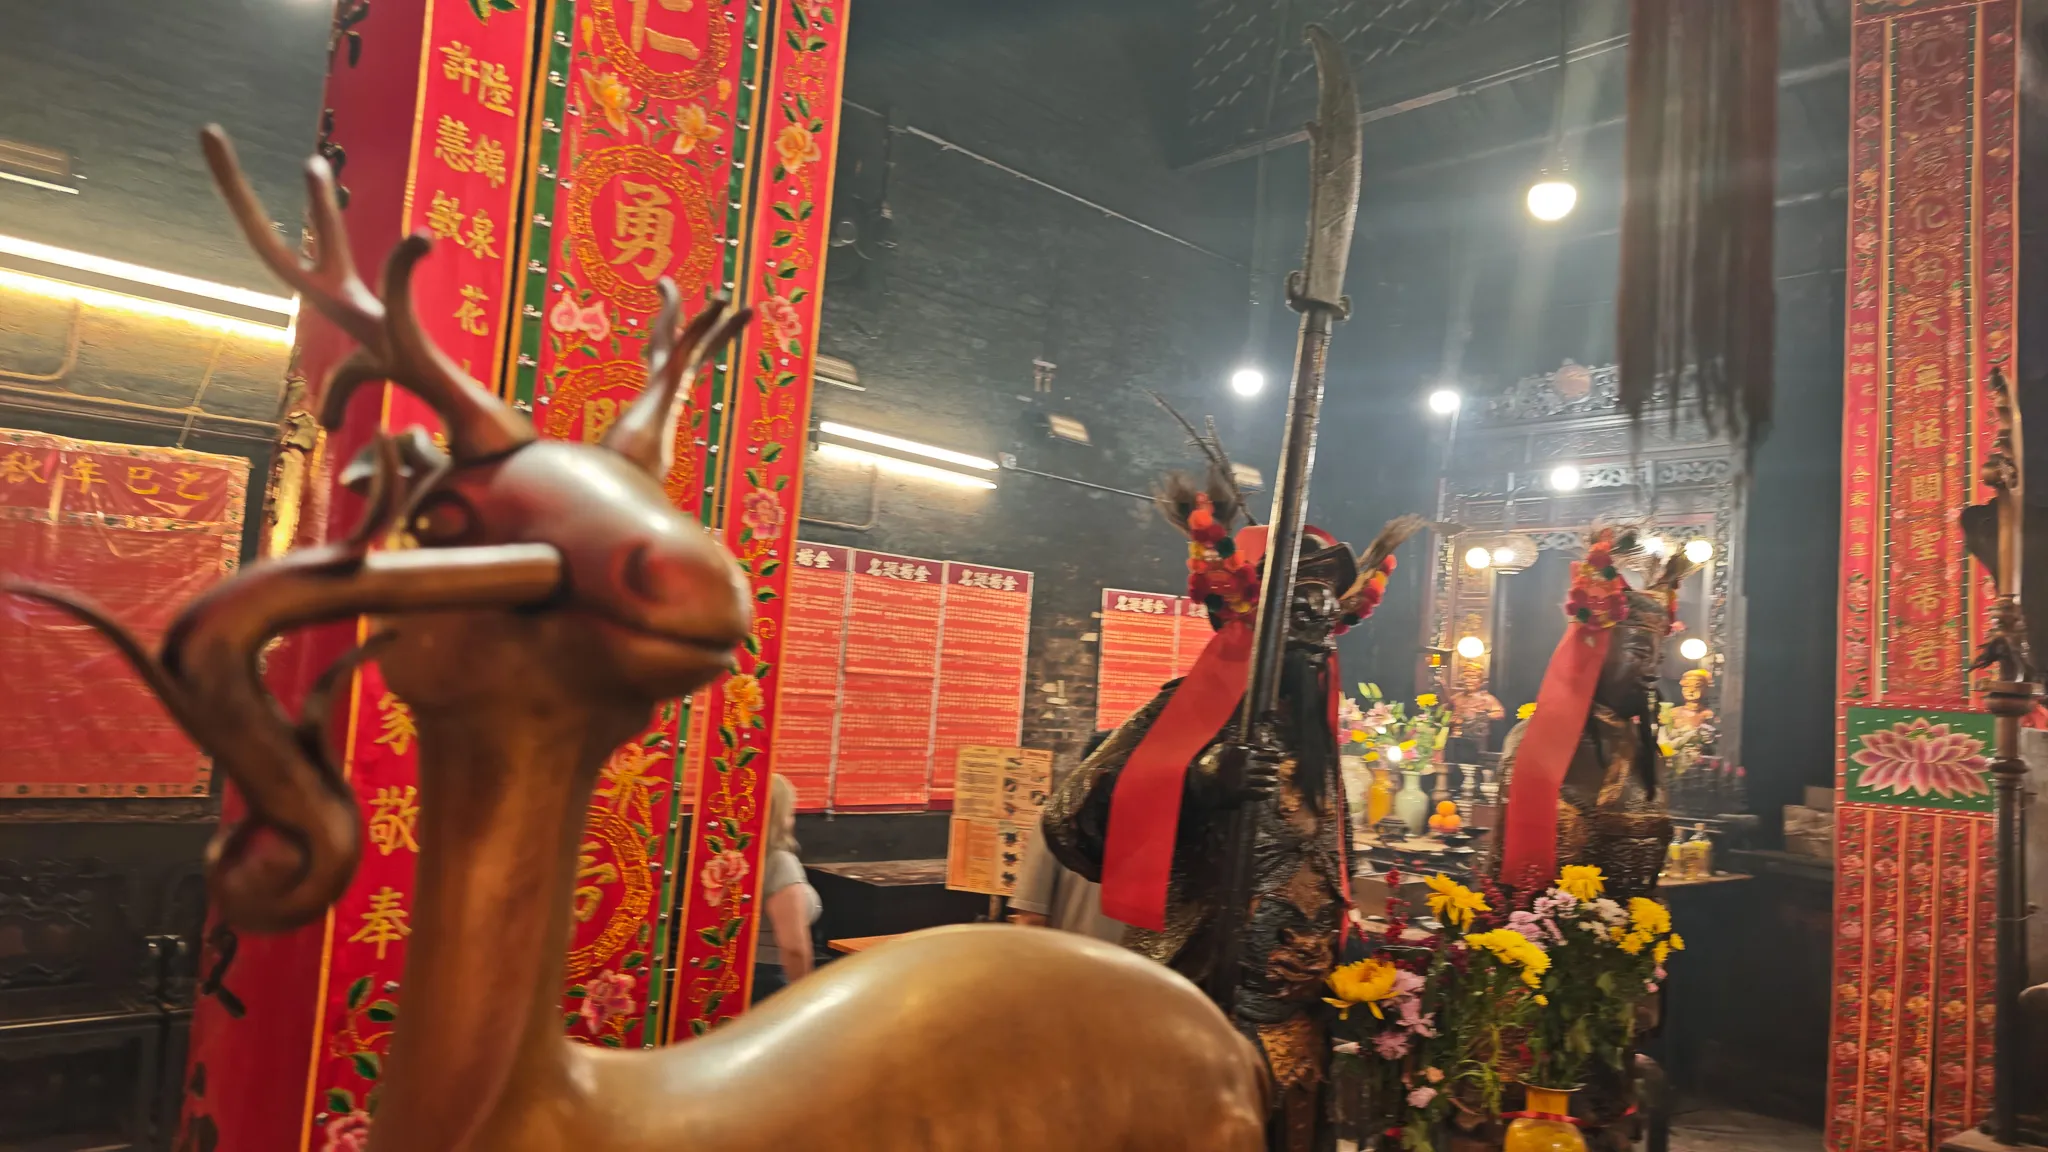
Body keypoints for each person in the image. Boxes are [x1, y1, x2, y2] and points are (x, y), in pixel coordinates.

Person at [1043, 463, 1421, 1152]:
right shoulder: (1182, 717)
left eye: (1324, 606)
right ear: (1249, 615)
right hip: (1199, 999)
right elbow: (1068, 821)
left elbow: (1321, 862)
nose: (1315, 619)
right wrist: (1196, 785)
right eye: (1297, 603)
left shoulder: (1317, 741)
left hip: (1300, 1017)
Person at [1009, 731, 1125, 943]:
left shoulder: (1057, 820)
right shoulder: (1165, 830)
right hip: (1142, 972)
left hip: (1071, 967)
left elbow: (1032, 918)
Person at [751, 774, 821, 1003]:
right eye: (789, 812)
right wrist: (804, 997)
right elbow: (793, 947)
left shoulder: (738, 858)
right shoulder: (779, 863)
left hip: (744, 974)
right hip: (774, 978)